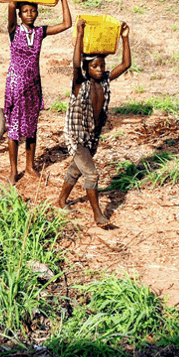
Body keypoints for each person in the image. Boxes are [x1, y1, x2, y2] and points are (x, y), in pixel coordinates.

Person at [55, 19, 132, 228]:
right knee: (92, 173)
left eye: (102, 65)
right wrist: (79, 34)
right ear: (86, 67)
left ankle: (61, 201)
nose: (99, 69)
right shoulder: (80, 84)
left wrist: (125, 38)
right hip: (76, 136)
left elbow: (126, 65)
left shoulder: (104, 80)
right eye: (94, 66)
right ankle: (98, 214)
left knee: (76, 169)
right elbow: (75, 63)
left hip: (92, 136)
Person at [1, 0, 73, 183]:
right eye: (25, 11)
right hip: (16, 85)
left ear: (37, 13)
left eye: (33, 11)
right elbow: (10, 5)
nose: (30, 14)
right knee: (14, 128)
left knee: (31, 127)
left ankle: (30, 167)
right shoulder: (13, 31)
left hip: (33, 85)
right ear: (19, 14)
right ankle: (13, 171)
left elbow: (67, 23)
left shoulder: (40, 32)